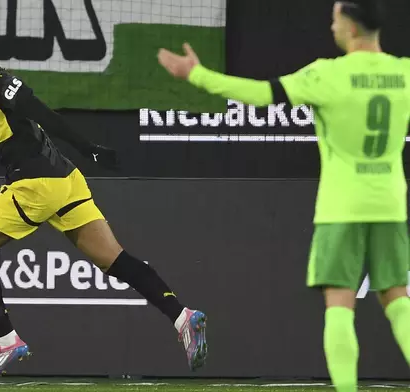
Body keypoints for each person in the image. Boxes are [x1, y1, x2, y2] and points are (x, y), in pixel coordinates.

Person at [0, 24, 208, 381]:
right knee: (116, 260)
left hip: (34, 184)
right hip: (65, 182)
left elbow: (40, 111)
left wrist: (89, 147)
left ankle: (7, 340)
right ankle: (182, 316)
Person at [158, 1, 410, 391]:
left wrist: (199, 75)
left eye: (335, 19)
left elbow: (261, 94)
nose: (331, 27)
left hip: (341, 207)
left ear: (352, 27)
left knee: (340, 307)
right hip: (390, 204)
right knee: (398, 302)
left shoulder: (327, 74)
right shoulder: (404, 72)